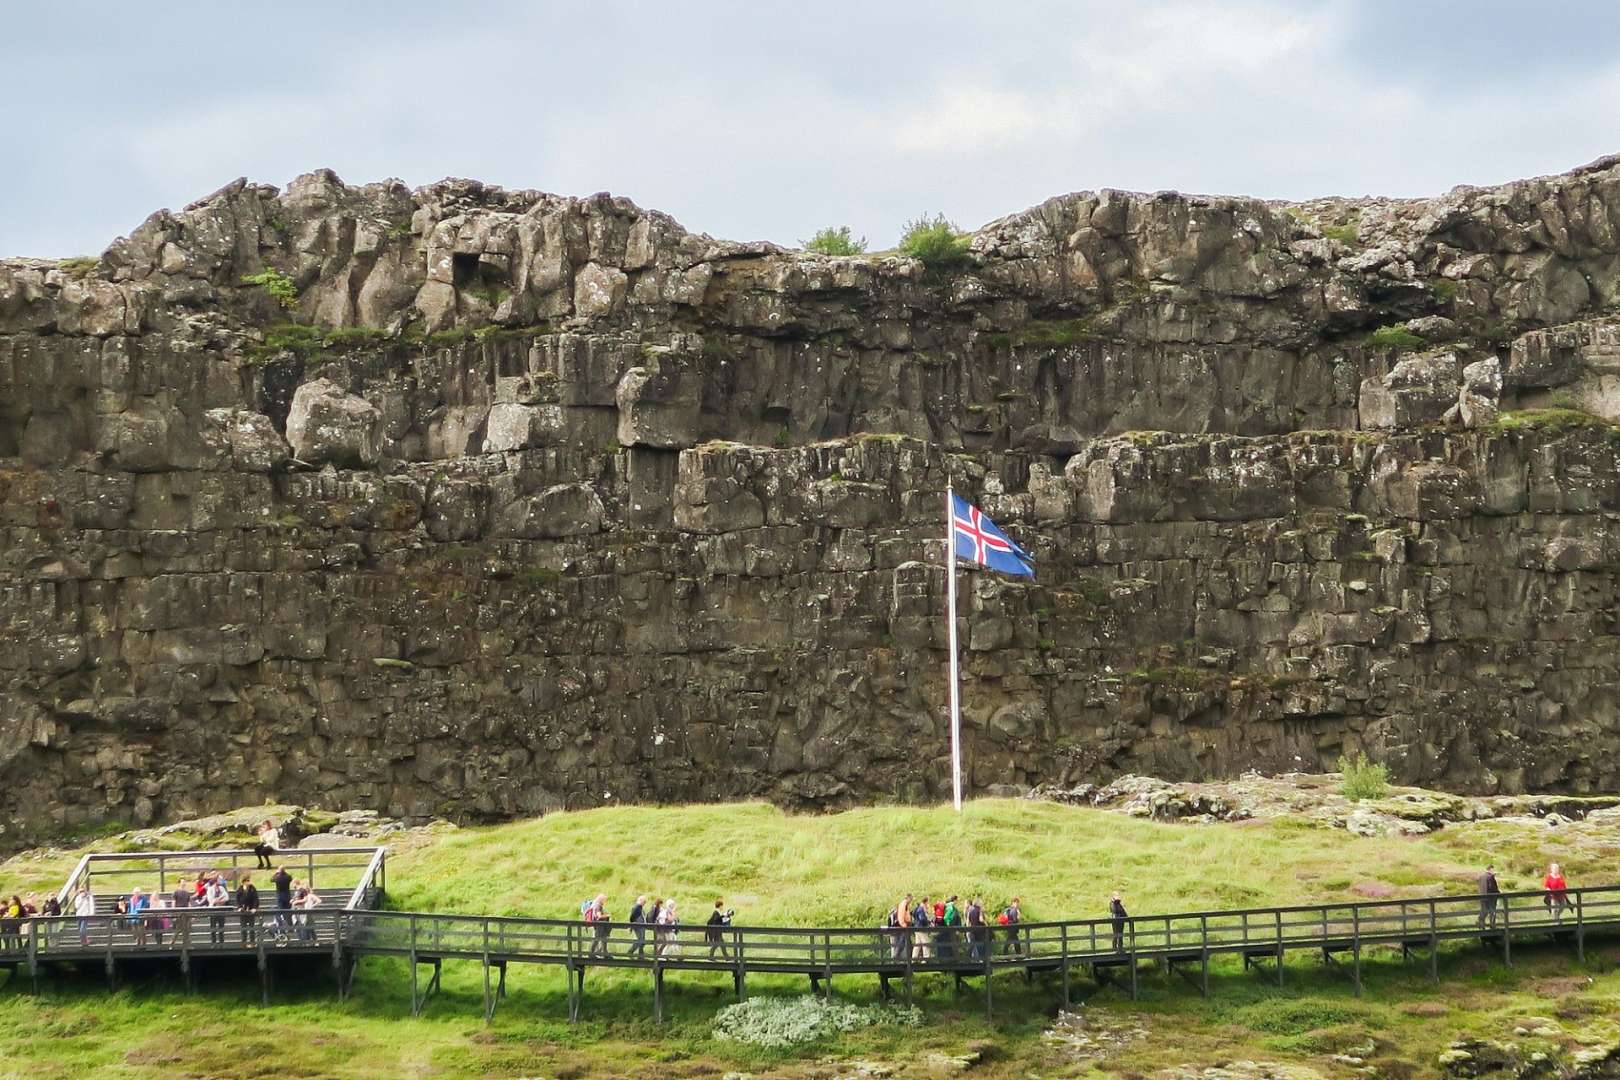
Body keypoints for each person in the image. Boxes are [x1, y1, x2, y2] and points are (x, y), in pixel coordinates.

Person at [206, 873, 231, 946]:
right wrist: (220, 899)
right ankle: (213, 943)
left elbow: (226, 898)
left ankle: (221, 942)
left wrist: (218, 900)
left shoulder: (222, 888)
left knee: (221, 926)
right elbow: (210, 900)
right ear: (215, 881)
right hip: (213, 910)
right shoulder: (210, 889)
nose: (220, 881)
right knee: (213, 927)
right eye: (219, 880)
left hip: (221, 909)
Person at [270, 866, 293, 942]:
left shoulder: (277, 878)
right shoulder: (287, 877)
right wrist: (283, 871)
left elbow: (271, 879)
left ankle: (282, 929)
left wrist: (276, 872)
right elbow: (290, 878)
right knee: (288, 913)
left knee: (280, 912)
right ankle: (290, 927)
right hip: (287, 896)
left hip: (280, 896)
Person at [237, 873, 260, 945]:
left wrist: (254, 908)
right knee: (243, 928)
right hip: (243, 911)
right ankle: (244, 943)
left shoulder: (252, 888)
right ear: (244, 881)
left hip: (250, 911)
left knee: (251, 928)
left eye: (249, 880)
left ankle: (252, 943)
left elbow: (256, 899)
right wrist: (239, 907)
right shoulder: (240, 889)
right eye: (247, 880)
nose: (249, 882)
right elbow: (237, 900)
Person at [587, 894, 611, 959]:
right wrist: (607, 915)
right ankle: (591, 954)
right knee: (597, 939)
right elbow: (599, 916)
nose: (605, 901)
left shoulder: (595, 905)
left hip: (599, 925)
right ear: (601, 900)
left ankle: (605, 953)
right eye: (604, 900)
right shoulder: (598, 906)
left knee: (603, 939)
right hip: (600, 925)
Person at [966, 897, 986, 962]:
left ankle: (967, 959)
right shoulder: (979, 910)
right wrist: (986, 923)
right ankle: (981, 959)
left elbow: (968, 921)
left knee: (971, 945)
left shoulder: (970, 910)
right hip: (979, 930)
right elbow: (981, 919)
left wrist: (968, 929)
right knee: (980, 944)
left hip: (972, 930)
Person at [912, 896, 932, 961]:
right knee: (925, 943)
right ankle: (926, 959)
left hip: (916, 928)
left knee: (918, 944)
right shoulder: (921, 909)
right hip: (921, 928)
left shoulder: (917, 908)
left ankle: (914, 959)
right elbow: (922, 919)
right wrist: (928, 922)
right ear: (925, 902)